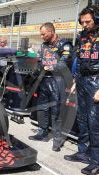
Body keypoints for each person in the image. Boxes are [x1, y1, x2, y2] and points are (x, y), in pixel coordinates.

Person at [64, 6, 99, 175]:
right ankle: (83, 152)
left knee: (95, 123)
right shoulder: (83, 35)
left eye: (87, 21)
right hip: (82, 80)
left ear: (97, 18)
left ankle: (97, 162)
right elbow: (80, 59)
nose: (84, 24)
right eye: (82, 22)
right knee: (82, 119)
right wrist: (75, 79)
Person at [28, 22, 73, 152]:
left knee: (56, 111)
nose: (41, 36)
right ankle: (42, 132)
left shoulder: (64, 44)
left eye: (43, 34)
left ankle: (57, 139)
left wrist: (49, 67)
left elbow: (64, 64)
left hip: (58, 81)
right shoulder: (44, 46)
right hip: (44, 81)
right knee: (42, 108)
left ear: (51, 31)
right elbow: (41, 62)